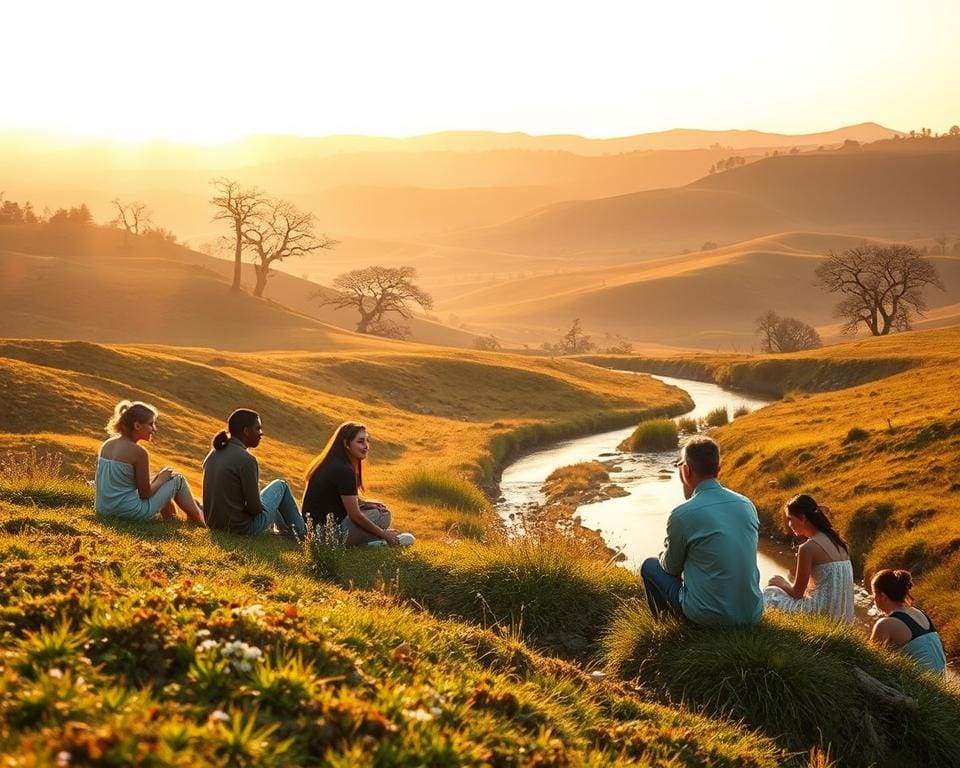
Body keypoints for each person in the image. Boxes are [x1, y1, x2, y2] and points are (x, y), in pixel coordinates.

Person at [640, 435, 763, 625]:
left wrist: (664, 553)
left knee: (650, 566)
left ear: (686, 471)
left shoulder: (682, 514)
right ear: (718, 471)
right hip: (752, 614)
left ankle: (667, 627)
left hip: (709, 617)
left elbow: (671, 568)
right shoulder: (746, 504)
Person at [95, 400, 205, 526]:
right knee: (177, 479)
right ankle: (200, 520)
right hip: (128, 513)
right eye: (151, 424)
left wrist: (158, 480)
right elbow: (145, 494)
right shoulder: (139, 452)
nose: (154, 429)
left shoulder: (107, 445)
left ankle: (172, 522)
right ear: (137, 426)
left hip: (103, 509)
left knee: (157, 479)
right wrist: (161, 479)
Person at [302, 421, 413, 547]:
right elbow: (355, 515)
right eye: (360, 442)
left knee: (378, 510)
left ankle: (369, 540)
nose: (366, 446)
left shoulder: (331, 463)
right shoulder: (343, 470)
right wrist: (384, 534)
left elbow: (337, 497)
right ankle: (374, 542)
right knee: (382, 515)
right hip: (327, 536)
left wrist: (365, 503)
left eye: (367, 441)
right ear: (346, 444)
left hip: (314, 530)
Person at [202, 409, 306, 539]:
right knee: (280, 486)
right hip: (242, 529)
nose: (261, 433)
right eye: (257, 429)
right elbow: (255, 508)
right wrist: (266, 506)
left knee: (271, 496)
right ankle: (301, 534)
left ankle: (285, 531)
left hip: (214, 525)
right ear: (246, 431)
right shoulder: (246, 460)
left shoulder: (214, 453)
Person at [763, 495, 854, 623]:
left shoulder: (808, 548)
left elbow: (797, 593)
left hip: (819, 615)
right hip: (843, 617)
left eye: (790, 519)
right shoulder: (840, 543)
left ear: (803, 518)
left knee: (769, 593)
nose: (789, 524)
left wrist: (781, 582)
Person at [870, 569, 947, 675]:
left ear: (882, 596)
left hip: (916, 689)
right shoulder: (920, 614)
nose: (872, 598)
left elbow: (869, 662)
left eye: (873, 593)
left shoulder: (885, 624)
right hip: (940, 686)